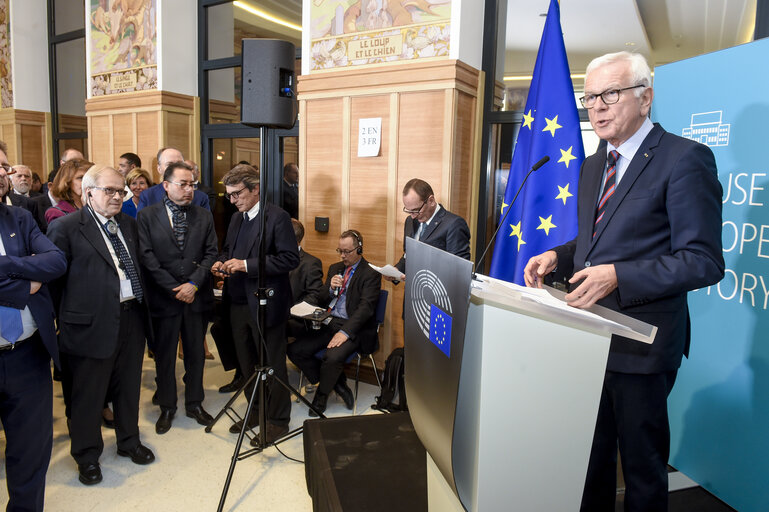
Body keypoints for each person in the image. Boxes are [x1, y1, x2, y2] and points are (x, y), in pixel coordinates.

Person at [523, 51, 724, 512]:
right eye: (590, 96)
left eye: (610, 93)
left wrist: (619, 277)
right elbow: (597, 242)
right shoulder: (595, 163)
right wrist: (558, 254)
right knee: (588, 464)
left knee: (641, 472)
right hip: (588, 339)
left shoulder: (685, 159)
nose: (597, 106)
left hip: (642, 348)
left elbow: (704, 261)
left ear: (645, 97)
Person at [48, 165, 155, 486]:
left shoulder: (129, 224)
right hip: (86, 325)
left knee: (128, 387)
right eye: (109, 190)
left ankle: (129, 441)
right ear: (88, 192)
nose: (117, 197)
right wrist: (61, 325)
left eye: (120, 191)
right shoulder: (66, 228)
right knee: (87, 396)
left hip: (131, 317)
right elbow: (54, 284)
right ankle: (86, 455)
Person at [0, 142, 67, 511]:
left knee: (30, 454)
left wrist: (6, 267)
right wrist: (25, 279)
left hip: (27, 354)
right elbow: (37, 270)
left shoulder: (20, 218)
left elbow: (56, 261)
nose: (4, 173)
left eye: (5, 166)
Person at [211, 164, 299, 444]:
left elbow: (289, 259)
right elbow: (228, 250)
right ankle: (255, 409)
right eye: (230, 196)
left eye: (238, 194)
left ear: (255, 189)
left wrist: (247, 265)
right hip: (237, 302)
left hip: (266, 304)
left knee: (272, 364)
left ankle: (277, 420)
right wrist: (222, 263)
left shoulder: (278, 217)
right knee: (247, 364)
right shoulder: (237, 218)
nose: (233, 200)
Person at [137, 161, 218, 434]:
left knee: (196, 353)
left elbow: (211, 254)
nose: (189, 190)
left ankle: (194, 403)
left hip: (195, 297)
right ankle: (167, 407)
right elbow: (147, 258)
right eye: (182, 184)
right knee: (165, 356)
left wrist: (193, 284)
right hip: (164, 298)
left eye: (192, 184)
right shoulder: (147, 216)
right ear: (166, 185)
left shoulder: (203, 216)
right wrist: (175, 288)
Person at [288, 230, 381, 416]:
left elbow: (365, 310)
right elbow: (320, 299)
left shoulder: (371, 273)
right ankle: (337, 384)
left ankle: (322, 396)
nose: (342, 256)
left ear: (359, 248)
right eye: (340, 250)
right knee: (295, 350)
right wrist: (330, 288)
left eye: (347, 251)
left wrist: (345, 333)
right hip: (328, 322)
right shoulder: (335, 268)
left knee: (332, 357)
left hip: (353, 328)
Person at [391, 178, 471, 281]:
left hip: (438, 294)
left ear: (431, 201)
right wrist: (396, 271)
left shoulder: (454, 224)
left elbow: (459, 270)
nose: (413, 216)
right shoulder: (410, 221)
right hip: (412, 293)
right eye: (408, 211)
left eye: (416, 210)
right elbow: (409, 255)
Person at [137, 147, 210, 211]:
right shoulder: (148, 196)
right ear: (159, 169)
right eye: (169, 165)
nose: (176, 169)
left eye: (180, 164)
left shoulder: (201, 198)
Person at [287, 219, 324, 338]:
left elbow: (314, 296)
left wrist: (291, 310)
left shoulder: (311, 263)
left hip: (295, 318)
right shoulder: (273, 259)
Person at [45, 158, 93, 225]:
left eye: (88, 178)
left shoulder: (98, 208)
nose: (86, 182)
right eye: (80, 178)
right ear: (67, 182)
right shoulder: (56, 212)